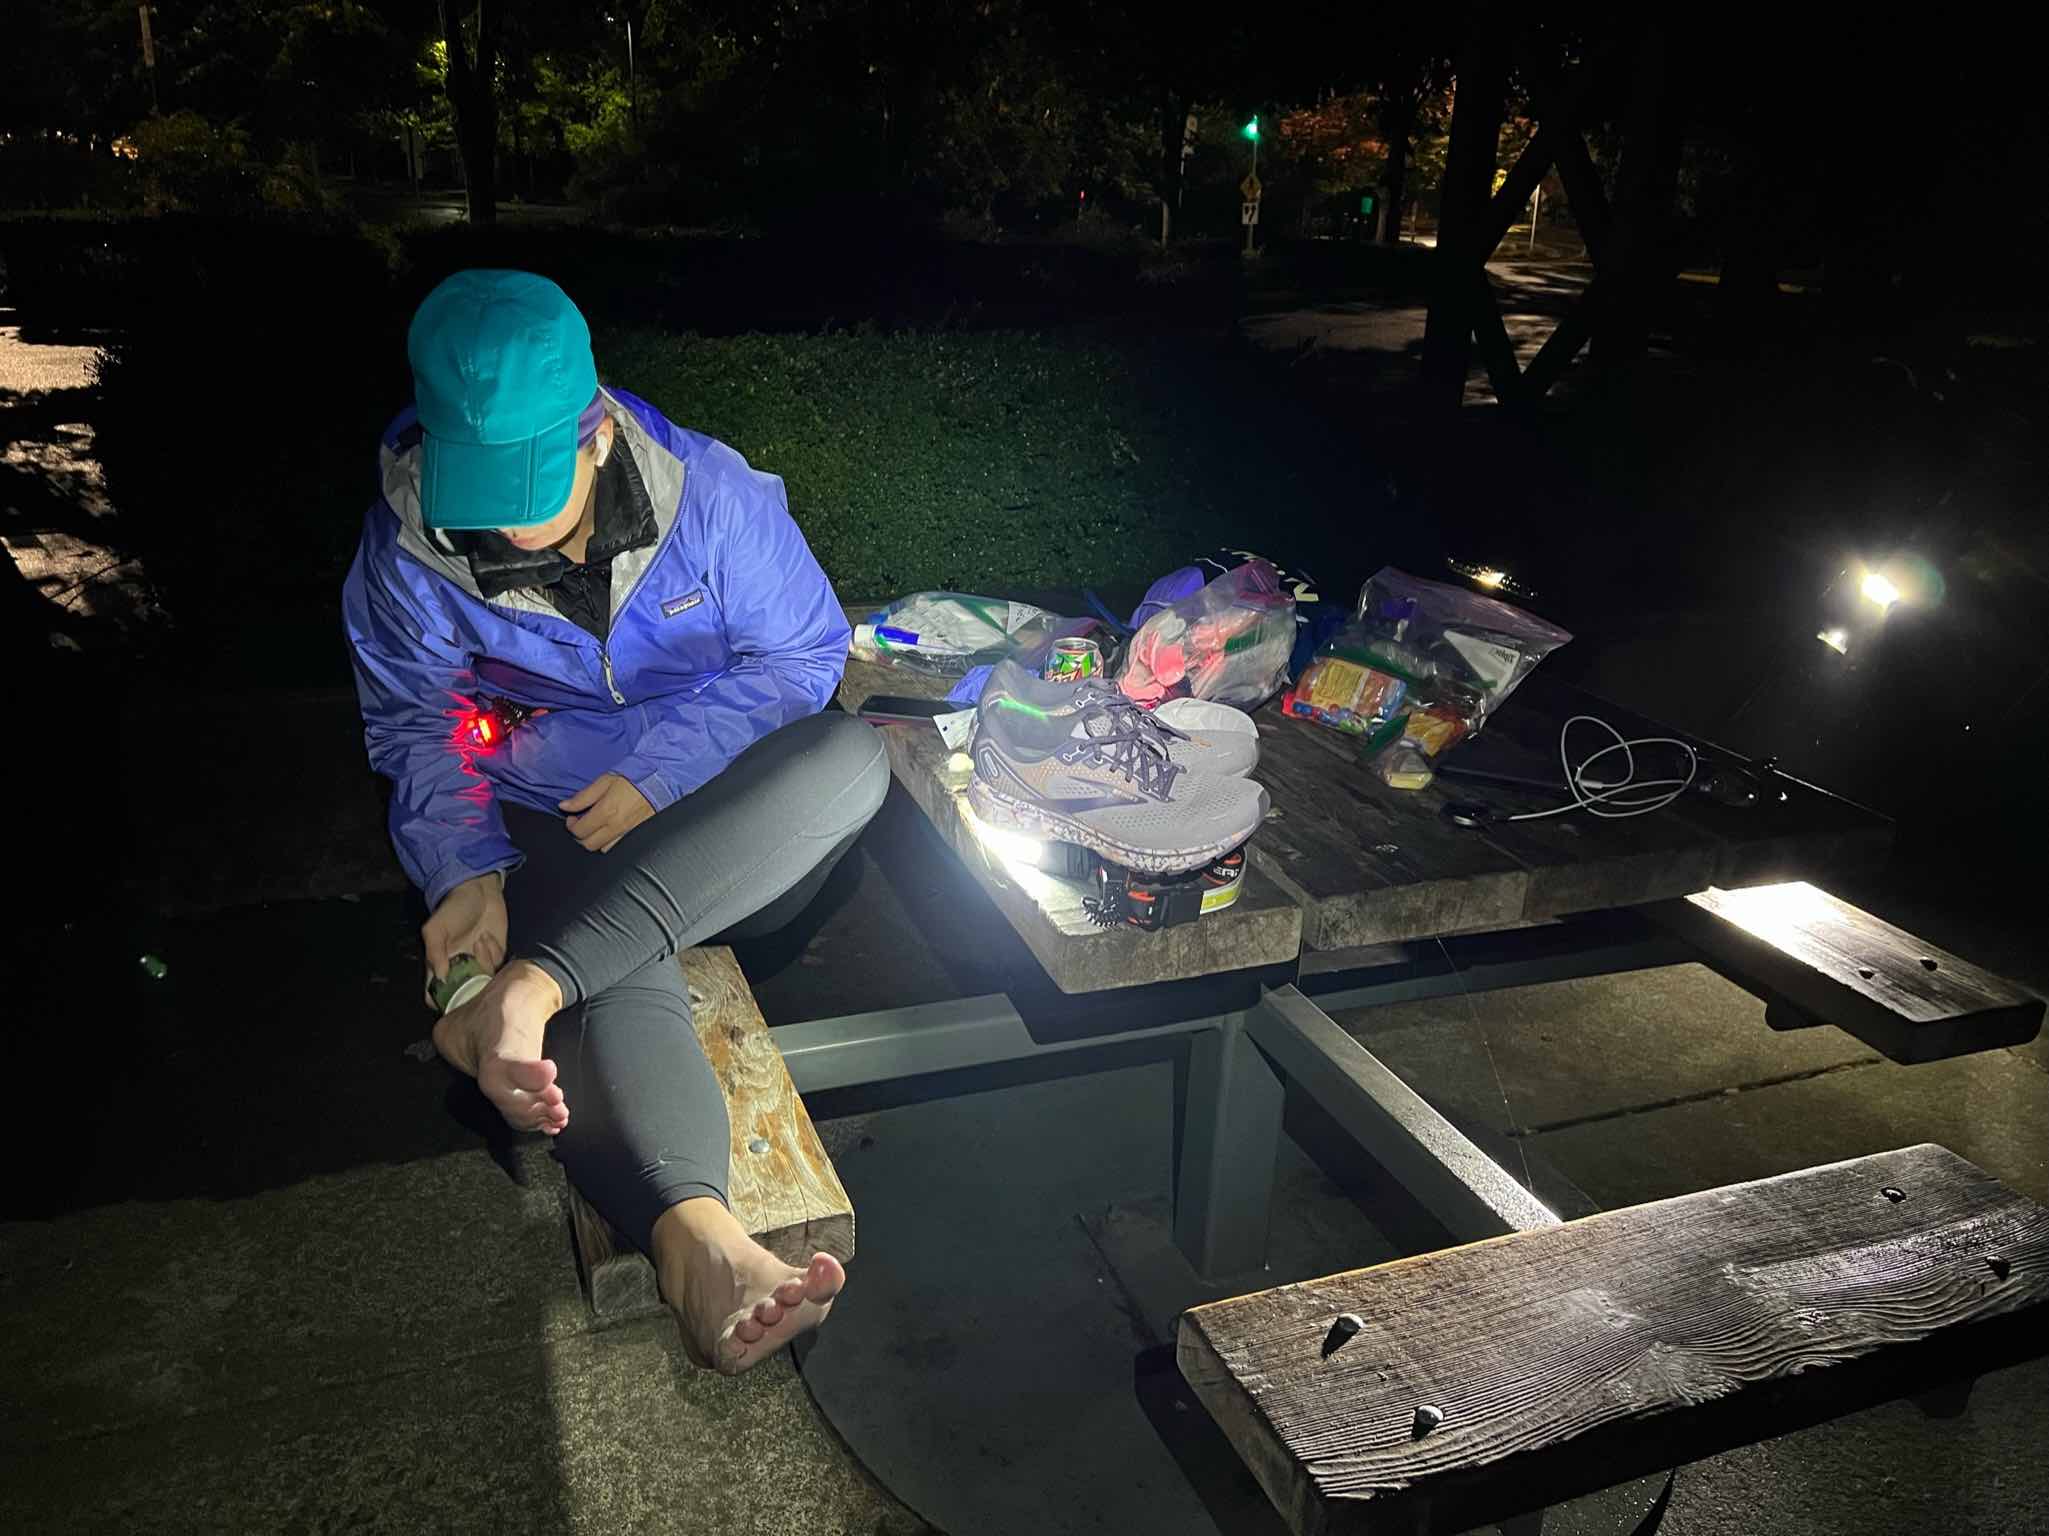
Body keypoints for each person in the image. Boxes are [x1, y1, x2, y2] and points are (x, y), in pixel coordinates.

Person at [342, 269, 888, 1374]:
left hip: (727, 832)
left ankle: (528, 988)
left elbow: (807, 653)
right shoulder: (405, 554)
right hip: (555, 825)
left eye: (529, 479)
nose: (498, 520)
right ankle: (704, 1246)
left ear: (595, 436)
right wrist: (466, 871)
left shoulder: (712, 496)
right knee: (614, 957)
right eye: (477, 482)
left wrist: (661, 772)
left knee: (851, 755)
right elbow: (415, 724)